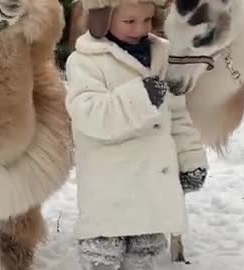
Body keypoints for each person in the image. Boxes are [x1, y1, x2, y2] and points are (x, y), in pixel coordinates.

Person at [64, 0, 209, 269]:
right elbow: (89, 115)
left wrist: (191, 159)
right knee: (103, 259)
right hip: (109, 190)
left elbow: (176, 115)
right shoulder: (84, 61)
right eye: (129, 22)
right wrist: (140, 97)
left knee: (147, 260)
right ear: (103, 19)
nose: (139, 29)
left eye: (146, 20)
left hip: (151, 190)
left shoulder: (163, 56)